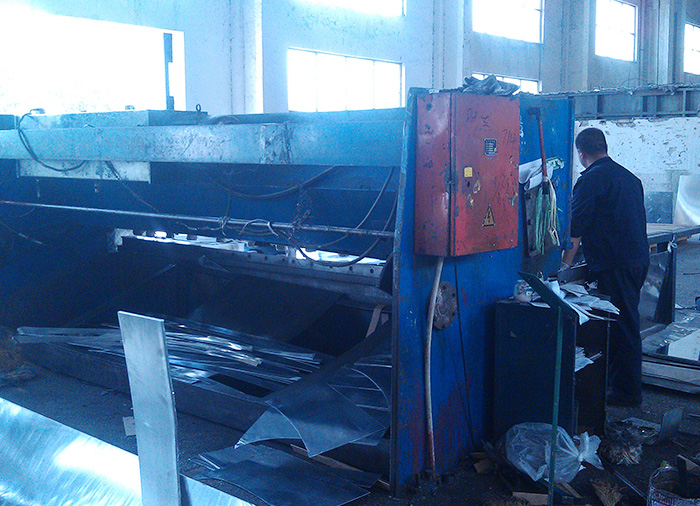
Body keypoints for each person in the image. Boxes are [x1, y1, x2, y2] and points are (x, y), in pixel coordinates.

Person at [562, 127, 649, 407]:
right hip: (635, 260)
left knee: (622, 326)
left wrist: (563, 267)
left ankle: (627, 393)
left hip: (616, 263)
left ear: (581, 153)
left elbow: (575, 228)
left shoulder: (591, 180)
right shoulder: (629, 177)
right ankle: (620, 385)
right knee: (624, 323)